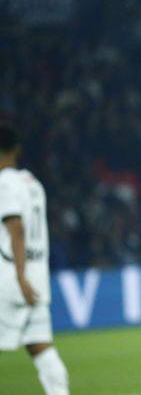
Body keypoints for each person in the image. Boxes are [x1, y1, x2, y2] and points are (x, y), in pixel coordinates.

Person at [0, 123, 71, 395]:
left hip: (12, 278)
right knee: (42, 349)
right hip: (37, 278)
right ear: (17, 149)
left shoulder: (4, 183)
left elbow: (16, 229)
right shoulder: (33, 183)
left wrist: (20, 276)